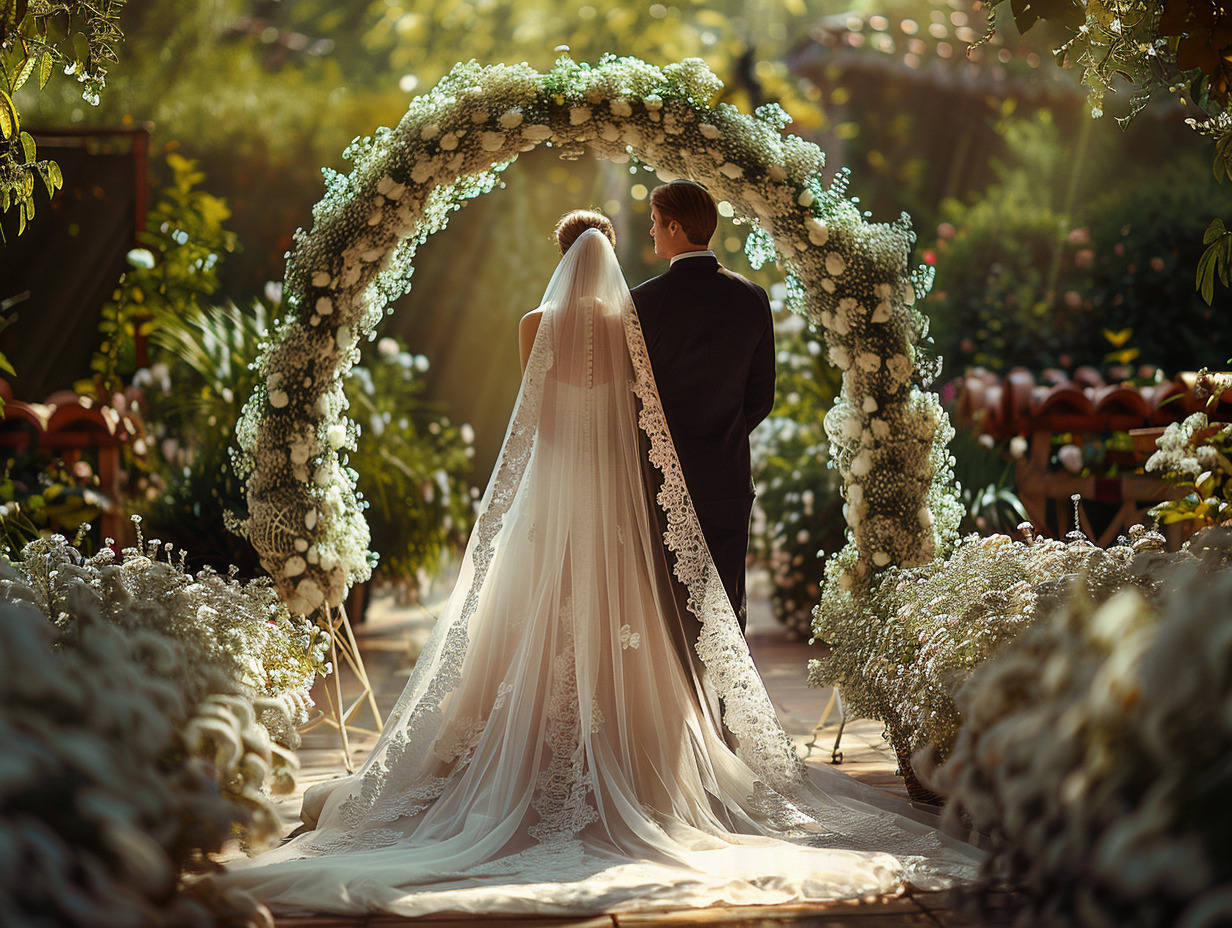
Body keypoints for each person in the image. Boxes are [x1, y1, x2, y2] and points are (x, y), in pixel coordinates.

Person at [217, 212, 977, 919]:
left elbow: (534, 417)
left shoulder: (533, 324)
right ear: (609, 259)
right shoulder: (626, 326)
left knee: (526, 619)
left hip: (554, 492)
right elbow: (647, 413)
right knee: (627, 611)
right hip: (615, 494)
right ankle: (633, 756)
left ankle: (514, 758)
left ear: (559, 261)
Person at [631, 180, 774, 632]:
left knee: (665, 606)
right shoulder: (753, 298)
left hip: (660, 478)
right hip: (727, 478)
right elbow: (761, 398)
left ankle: (679, 700)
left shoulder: (642, 302)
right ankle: (725, 700)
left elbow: (632, 393)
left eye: (655, 223)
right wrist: (723, 431)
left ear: (675, 226)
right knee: (726, 606)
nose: (651, 232)